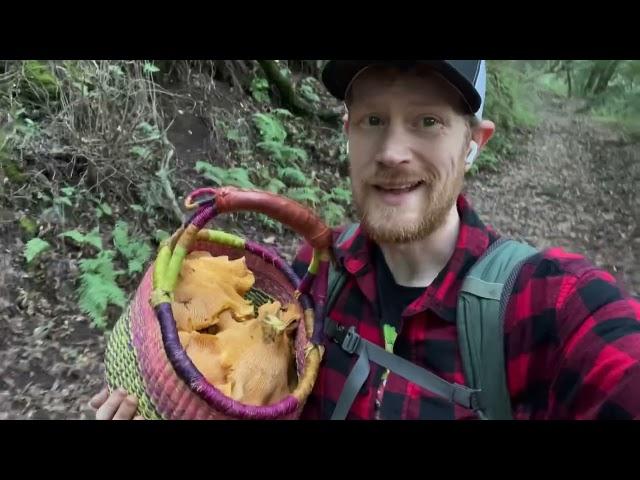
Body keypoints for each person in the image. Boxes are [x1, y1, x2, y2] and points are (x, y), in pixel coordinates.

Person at [91, 60, 640, 420]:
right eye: (374, 118)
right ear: (349, 131)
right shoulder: (313, 274)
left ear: (474, 142)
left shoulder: (550, 306)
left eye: (426, 121)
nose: (393, 151)